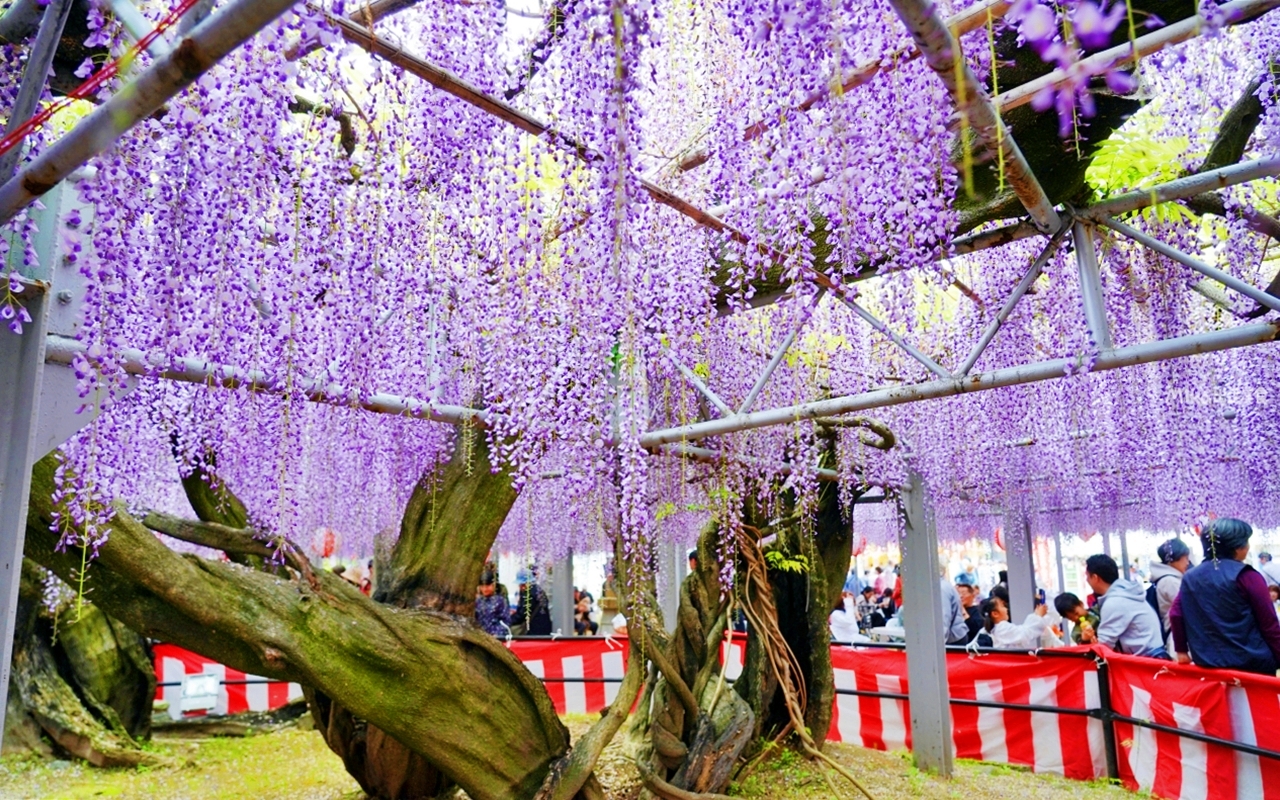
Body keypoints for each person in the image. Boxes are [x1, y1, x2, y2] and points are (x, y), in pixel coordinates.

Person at [1170, 518, 1280, 675]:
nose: (1248, 547)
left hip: (1209, 665)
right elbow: (1269, 624)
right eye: (1246, 541)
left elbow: (1176, 614)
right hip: (1251, 666)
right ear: (1237, 546)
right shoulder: (1247, 576)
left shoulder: (1190, 577)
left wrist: (1181, 650)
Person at [1086, 554, 1168, 658]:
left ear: (1095, 577)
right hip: (1155, 655)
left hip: (1145, 662)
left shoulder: (1115, 602)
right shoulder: (1127, 592)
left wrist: (1093, 642)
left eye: (1087, 576)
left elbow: (1104, 647)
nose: (1086, 580)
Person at [1148, 538, 1191, 654]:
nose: (1188, 562)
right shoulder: (1170, 581)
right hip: (1177, 637)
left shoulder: (1166, 578)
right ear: (1174, 559)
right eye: (1185, 558)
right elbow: (1189, 608)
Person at [979, 595, 1052, 650]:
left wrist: (1036, 615)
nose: (1006, 609)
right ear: (995, 614)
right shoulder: (1002, 628)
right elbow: (1024, 634)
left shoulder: (986, 630)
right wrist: (1038, 616)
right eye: (1003, 606)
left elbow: (1023, 630)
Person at [510, 567, 553, 635]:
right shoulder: (539, 590)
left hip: (534, 630)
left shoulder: (529, 594)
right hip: (545, 628)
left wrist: (509, 620)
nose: (520, 587)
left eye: (521, 584)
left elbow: (522, 614)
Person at [474, 570, 510, 637]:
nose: (485, 589)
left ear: (493, 585)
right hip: (480, 635)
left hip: (496, 636)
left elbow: (505, 621)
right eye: (482, 586)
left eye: (487, 586)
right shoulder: (478, 601)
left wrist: (497, 633)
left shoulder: (500, 601)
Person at [955, 578, 984, 643]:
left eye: (964, 593)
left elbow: (974, 629)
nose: (961, 596)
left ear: (973, 595)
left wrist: (962, 608)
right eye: (958, 593)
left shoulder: (978, 611)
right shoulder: (954, 611)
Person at [942, 578, 970, 645]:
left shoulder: (941, 588)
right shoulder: (943, 585)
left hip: (953, 639)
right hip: (952, 636)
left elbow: (944, 618)